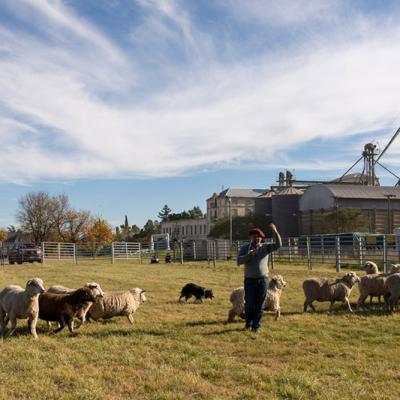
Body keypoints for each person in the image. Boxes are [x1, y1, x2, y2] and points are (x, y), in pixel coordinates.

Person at [237, 223, 282, 333]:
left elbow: (278, 245)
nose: (256, 238)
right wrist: (250, 255)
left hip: (263, 280)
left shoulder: (265, 248)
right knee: (249, 304)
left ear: (261, 238)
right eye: (254, 236)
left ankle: (255, 326)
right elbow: (239, 261)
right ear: (251, 237)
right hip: (249, 281)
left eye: (259, 236)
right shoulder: (245, 248)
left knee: (259, 305)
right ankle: (248, 323)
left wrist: (275, 232)